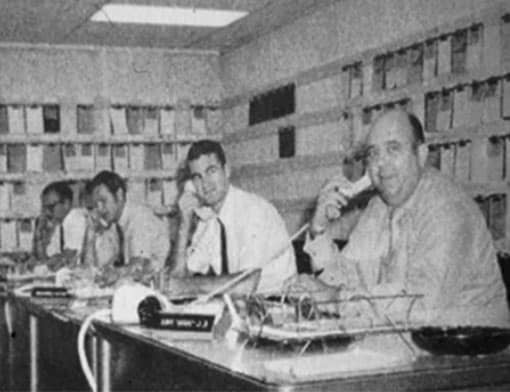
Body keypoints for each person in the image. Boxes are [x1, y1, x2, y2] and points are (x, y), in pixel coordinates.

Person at [288, 109, 509, 327]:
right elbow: (343, 278)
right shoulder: (379, 206)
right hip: (405, 346)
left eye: (393, 149)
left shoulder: (448, 209)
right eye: (373, 154)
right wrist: (319, 230)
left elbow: (421, 305)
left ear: (420, 155)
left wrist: (335, 299)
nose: (381, 165)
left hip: (473, 354)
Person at [170, 140, 296, 294]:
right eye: (197, 177)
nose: (205, 184)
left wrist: (187, 286)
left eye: (211, 171)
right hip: (240, 307)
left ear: (227, 170)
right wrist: (184, 222)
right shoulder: (209, 221)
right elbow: (178, 277)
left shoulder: (254, 211)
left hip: (277, 306)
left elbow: (246, 284)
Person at [89, 170, 170, 284]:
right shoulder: (114, 225)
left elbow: (138, 265)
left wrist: (115, 273)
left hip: (157, 288)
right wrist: (91, 232)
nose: (100, 209)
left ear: (119, 195)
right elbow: (99, 266)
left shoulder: (139, 217)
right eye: (96, 204)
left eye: (103, 201)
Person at [32, 181, 88, 268]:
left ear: (66, 203)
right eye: (44, 208)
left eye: (50, 207)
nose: (46, 212)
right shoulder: (58, 223)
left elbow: (67, 259)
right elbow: (43, 259)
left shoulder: (75, 218)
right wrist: (38, 234)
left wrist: (51, 261)